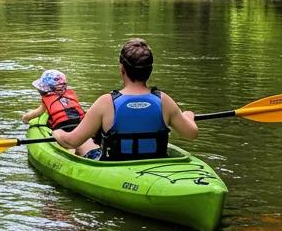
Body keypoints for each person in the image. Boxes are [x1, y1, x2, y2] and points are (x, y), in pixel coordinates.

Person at [52, 38, 197, 161]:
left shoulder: (106, 102)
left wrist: (57, 133)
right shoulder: (164, 101)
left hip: (115, 166)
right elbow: (191, 133)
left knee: (84, 144)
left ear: (122, 69)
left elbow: (70, 142)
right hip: (154, 163)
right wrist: (188, 116)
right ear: (150, 70)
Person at [22, 70, 100, 158]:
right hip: (80, 124)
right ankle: (91, 151)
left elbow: (37, 113)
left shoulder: (47, 99)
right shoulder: (71, 94)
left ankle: (72, 153)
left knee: (59, 136)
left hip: (62, 127)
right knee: (83, 140)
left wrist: (25, 118)